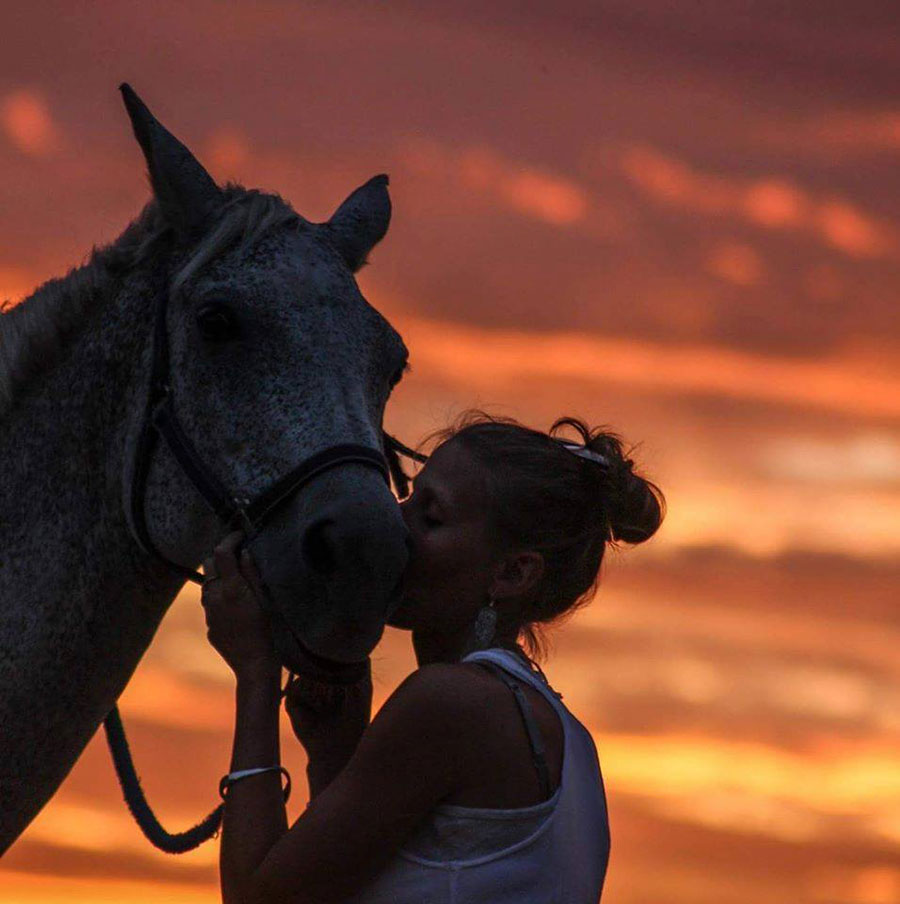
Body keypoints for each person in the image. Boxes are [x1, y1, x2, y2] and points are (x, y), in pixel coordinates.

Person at [201, 410, 665, 903]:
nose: (392, 524)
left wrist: (255, 673)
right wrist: (334, 753)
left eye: (431, 516)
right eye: (407, 498)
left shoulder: (451, 703)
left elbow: (258, 899)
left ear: (512, 574)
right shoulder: (575, 745)